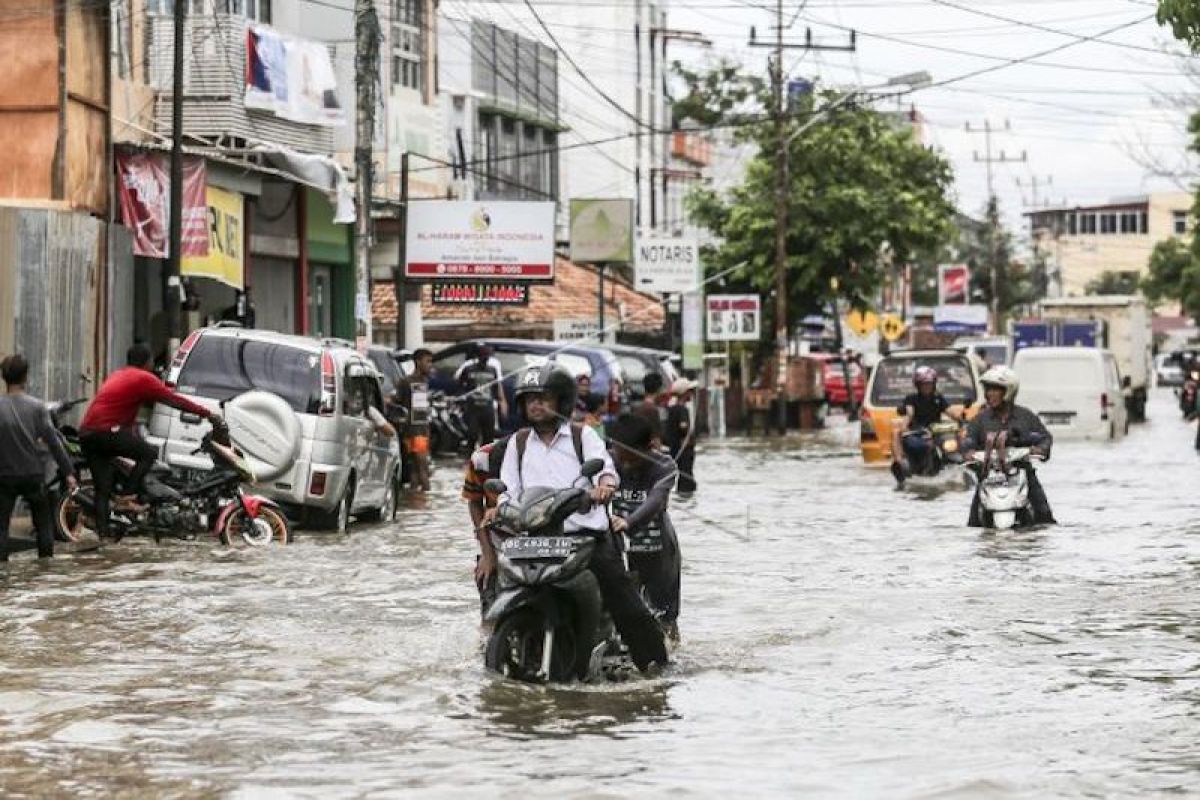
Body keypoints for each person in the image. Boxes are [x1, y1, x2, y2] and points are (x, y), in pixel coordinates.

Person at [495, 363, 668, 673]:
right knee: (502, 585)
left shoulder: (582, 435)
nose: (535, 405)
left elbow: (605, 468)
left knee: (625, 601)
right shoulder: (518, 443)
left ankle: (655, 665)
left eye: (543, 397)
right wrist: (499, 507)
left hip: (586, 538)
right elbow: (507, 489)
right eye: (529, 399)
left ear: (561, 400)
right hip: (537, 539)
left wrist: (604, 486)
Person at [79, 343, 220, 540]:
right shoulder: (143, 378)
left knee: (102, 489)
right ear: (147, 362)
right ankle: (126, 498)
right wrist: (207, 414)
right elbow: (175, 401)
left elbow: (121, 411)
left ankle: (104, 538)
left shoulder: (118, 374)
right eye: (152, 361)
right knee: (148, 453)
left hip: (87, 433)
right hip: (105, 432)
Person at [608, 413, 681, 642]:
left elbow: (656, 500)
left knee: (665, 615)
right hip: (618, 547)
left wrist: (629, 522)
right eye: (622, 457)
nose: (626, 465)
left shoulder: (665, 466)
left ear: (649, 448)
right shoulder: (608, 461)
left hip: (657, 548)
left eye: (633, 459)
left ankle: (669, 661)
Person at [0, 355, 76, 561]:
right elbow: (54, 442)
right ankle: (45, 570)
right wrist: (68, 472)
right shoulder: (37, 407)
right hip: (32, 474)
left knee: (2, 527)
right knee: (44, 524)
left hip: (4, 476)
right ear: (25, 377)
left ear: (4, 378)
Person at [962, 365, 1057, 526]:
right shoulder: (980, 419)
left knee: (1044, 516)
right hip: (988, 477)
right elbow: (968, 440)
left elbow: (1044, 437)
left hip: (1022, 475)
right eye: (987, 389)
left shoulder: (1025, 417)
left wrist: (1040, 449)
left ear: (1008, 391)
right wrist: (968, 452)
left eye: (994, 389)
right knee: (973, 523)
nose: (989, 394)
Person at [890, 365, 964, 485]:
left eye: (929, 383)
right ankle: (899, 462)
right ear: (918, 385)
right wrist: (905, 425)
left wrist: (962, 420)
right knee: (896, 432)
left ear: (934, 384)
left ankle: (962, 459)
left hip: (936, 431)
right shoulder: (911, 398)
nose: (927, 387)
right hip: (917, 432)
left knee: (957, 438)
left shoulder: (938, 398)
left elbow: (951, 412)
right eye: (923, 384)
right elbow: (910, 412)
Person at [463, 434, 511, 614]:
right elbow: (474, 501)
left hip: (537, 535)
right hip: (497, 536)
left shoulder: (540, 458)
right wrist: (487, 551)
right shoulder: (481, 460)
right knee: (486, 581)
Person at [455, 344, 507, 448]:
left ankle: (486, 460)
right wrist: (462, 401)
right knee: (472, 435)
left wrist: (502, 404)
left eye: (487, 357)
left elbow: (497, 388)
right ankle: (470, 457)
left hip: (487, 408)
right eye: (483, 356)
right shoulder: (468, 369)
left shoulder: (492, 370)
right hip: (473, 408)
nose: (485, 359)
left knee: (488, 437)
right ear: (478, 357)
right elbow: (460, 386)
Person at [396, 348, 433, 491]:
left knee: (415, 468)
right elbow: (399, 402)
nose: (430, 365)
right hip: (413, 430)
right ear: (418, 362)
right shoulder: (406, 382)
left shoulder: (425, 381)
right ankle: (427, 497)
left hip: (421, 429)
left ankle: (415, 500)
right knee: (422, 466)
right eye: (427, 361)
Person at [665, 378, 699, 493]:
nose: (691, 394)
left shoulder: (671, 409)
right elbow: (683, 427)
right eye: (689, 391)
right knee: (687, 479)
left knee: (683, 477)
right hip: (684, 450)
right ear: (684, 393)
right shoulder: (682, 410)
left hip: (675, 450)